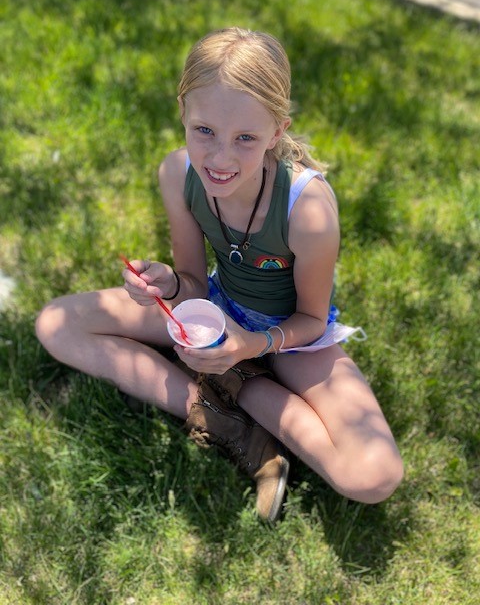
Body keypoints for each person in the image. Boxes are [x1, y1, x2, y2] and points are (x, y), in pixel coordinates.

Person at [35, 27, 403, 522]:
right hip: (215, 307)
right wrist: (168, 283)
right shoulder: (178, 173)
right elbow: (191, 281)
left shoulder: (308, 209)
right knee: (57, 324)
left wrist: (250, 347)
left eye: (245, 138)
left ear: (277, 132)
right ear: (183, 112)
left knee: (373, 476)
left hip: (289, 338)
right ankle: (225, 420)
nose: (220, 158)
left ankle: (240, 388)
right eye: (204, 130)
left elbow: (312, 321)